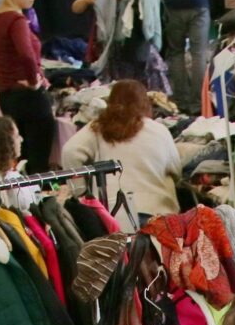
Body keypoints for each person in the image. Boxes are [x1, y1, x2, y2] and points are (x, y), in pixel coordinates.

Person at [60, 81, 181, 222]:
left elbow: (69, 151)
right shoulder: (159, 130)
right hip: (158, 211)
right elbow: (176, 172)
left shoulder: (98, 127)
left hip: (115, 212)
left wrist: (80, 191)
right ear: (145, 103)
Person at [0, 0, 53, 174]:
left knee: (18, 159)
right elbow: (26, 54)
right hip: (31, 98)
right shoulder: (16, 20)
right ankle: (43, 198)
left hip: (6, 97)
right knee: (39, 163)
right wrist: (33, 81)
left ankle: (24, 198)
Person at [160, 0, 211, 116]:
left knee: (176, 53)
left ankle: (181, 102)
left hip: (173, 5)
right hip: (199, 3)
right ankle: (198, 104)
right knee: (199, 55)